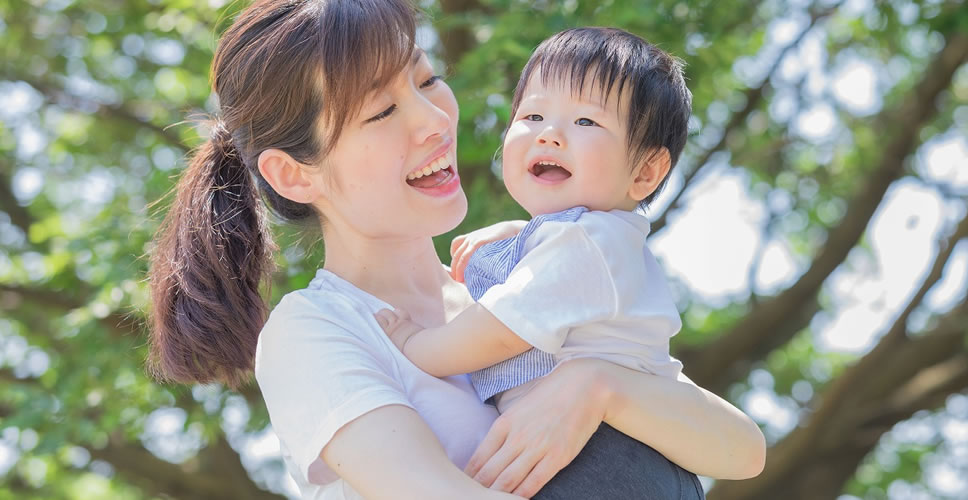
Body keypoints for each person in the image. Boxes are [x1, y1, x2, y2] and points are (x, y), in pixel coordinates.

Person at [145, 0, 765, 499]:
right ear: (295, 175)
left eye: (427, 79)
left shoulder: (511, 286)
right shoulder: (318, 330)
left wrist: (598, 384)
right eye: (383, 110)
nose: (434, 120)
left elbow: (741, 452)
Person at [376, 26, 705, 498]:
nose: (550, 134)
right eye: (532, 114)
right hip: (619, 452)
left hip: (608, 458)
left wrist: (414, 344)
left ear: (645, 171)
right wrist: (517, 232)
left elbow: (500, 331)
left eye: (586, 122)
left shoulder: (585, 245)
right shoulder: (594, 241)